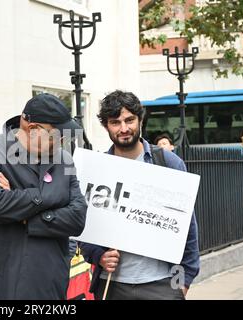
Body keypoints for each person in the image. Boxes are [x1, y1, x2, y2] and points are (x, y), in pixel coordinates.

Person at [79, 90, 200, 300]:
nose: (124, 128)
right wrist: (98, 256)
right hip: (113, 284)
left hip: (163, 283)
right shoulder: (97, 168)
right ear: (106, 126)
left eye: (129, 120)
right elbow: (82, 224)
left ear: (140, 120)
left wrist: (183, 283)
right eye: (115, 122)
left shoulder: (168, 163)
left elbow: (187, 227)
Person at [0, 93, 88, 300]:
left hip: (48, 283)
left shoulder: (64, 159)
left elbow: (77, 217)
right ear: (33, 130)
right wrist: (48, 198)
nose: (63, 141)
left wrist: (23, 212)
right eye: (59, 135)